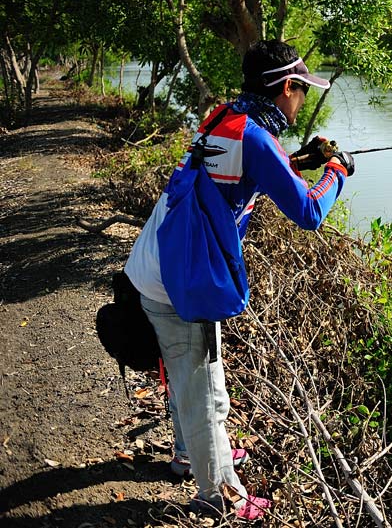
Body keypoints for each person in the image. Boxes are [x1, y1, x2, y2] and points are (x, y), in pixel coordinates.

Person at [124, 40, 353, 520]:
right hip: (181, 278)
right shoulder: (254, 137)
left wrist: (295, 163)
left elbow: (235, 172)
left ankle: (193, 453)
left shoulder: (225, 117)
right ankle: (218, 495)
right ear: (286, 87)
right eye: (302, 91)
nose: (303, 100)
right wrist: (336, 171)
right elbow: (309, 212)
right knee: (202, 386)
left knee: (189, 374)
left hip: (160, 257)